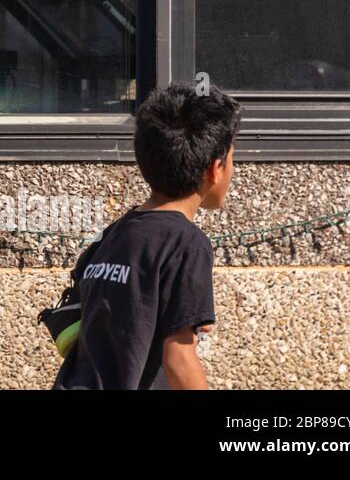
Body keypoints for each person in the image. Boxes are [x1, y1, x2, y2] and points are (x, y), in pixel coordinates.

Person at [52, 81, 240, 389]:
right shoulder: (188, 245)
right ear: (215, 169)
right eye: (233, 159)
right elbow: (179, 359)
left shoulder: (115, 232)